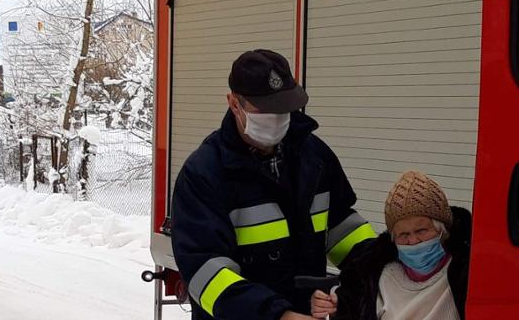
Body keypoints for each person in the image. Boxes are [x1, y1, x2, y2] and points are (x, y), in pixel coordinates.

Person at [171, 48, 380, 320]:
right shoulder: (204, 174)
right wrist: (278, 315)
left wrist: (380, 266)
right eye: (265, 110)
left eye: (284, 107)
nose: (278, 117)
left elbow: (341, 227)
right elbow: (205, 274)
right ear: (234, 104)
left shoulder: (315, 157)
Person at [327, 170, 471, 320]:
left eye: (421, 230)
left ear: (443, 230)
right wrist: (336, 310)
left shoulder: (465, 274)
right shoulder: (377, 276)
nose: (413, 241)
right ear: (393, 239)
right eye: (403, 234)